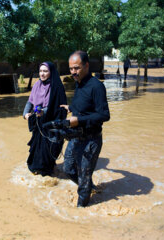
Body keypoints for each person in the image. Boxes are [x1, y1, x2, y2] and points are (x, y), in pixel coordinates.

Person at [60, 51, 110, 207]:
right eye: (71, 68)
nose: (73, 72)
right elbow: (83, 106)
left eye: (76, 68)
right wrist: (71, 107)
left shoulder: (97, 86)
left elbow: (104, 115)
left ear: (86, 65)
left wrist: (79, 119)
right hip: (76, 136)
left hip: (91, 139)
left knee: (83, 178)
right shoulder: (78, 82)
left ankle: (81, 211)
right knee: (68, 168)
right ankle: (87, 184)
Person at [23, 62, 67, 176]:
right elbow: (30, 101)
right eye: (41, 71)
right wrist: (25, 113)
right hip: (38, 123)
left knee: (48, 149)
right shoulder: (37, 84)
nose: (42, 74)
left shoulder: (57, 87)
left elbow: (59, 108)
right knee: (37, 148)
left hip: (51, 123)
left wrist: (44, 112)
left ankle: (48, 172)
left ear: (51, 72)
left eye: (45, 71)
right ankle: (36, 169)